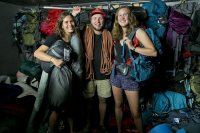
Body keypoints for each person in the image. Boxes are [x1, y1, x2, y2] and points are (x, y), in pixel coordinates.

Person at [34, 11, 84, 133]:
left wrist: (74, 14)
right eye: (66, 22)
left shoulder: (74, 38)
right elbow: (37, 53)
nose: (69, 24)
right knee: (56, 108)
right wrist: (53, 59)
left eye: (72, 21)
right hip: (58, 77)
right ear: (61, 25)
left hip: (71, 77)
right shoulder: (55, 37)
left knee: (70, 107)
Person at [111, 6, 158, 133]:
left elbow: (153, 52)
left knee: (135, 112)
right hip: (116, 74)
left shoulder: (138, 32)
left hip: (131, 75)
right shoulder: (117, 33)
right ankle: (120, 130)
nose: (122, 17)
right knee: (118, 105)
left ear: (130, 17)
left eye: (125, 14)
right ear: (116, 19)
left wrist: (133, 48)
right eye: (119, 15)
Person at [72, 7, 113, 133]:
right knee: (88, 102)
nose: (98, 21)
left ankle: (101, 124)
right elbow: (70, 30)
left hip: (104, 74)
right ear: (91, 20)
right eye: (95, 18)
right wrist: (73, 15)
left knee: (103, 100)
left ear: (104, 20)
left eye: (100, 18)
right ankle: (88, 123)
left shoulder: (109, 34)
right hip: (88, 74)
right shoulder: (84, 31)